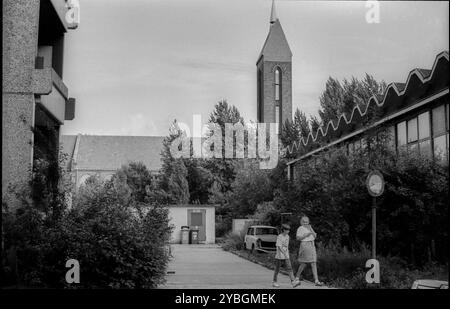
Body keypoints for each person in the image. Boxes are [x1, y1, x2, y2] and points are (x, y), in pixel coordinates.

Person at [295, 216, 324, 286]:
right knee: (303, 263)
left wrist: (310, 229)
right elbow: (298, 238)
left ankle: (316, 281)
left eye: (306, 222)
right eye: (304, 222)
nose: (305, 223)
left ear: (308, 222)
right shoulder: (300, 228)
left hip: (312, 245)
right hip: (305, 245)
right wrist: (305, 235)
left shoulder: (310, 227)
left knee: (313, 262)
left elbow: (315, 236)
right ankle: (297, 277)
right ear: (301, 222)